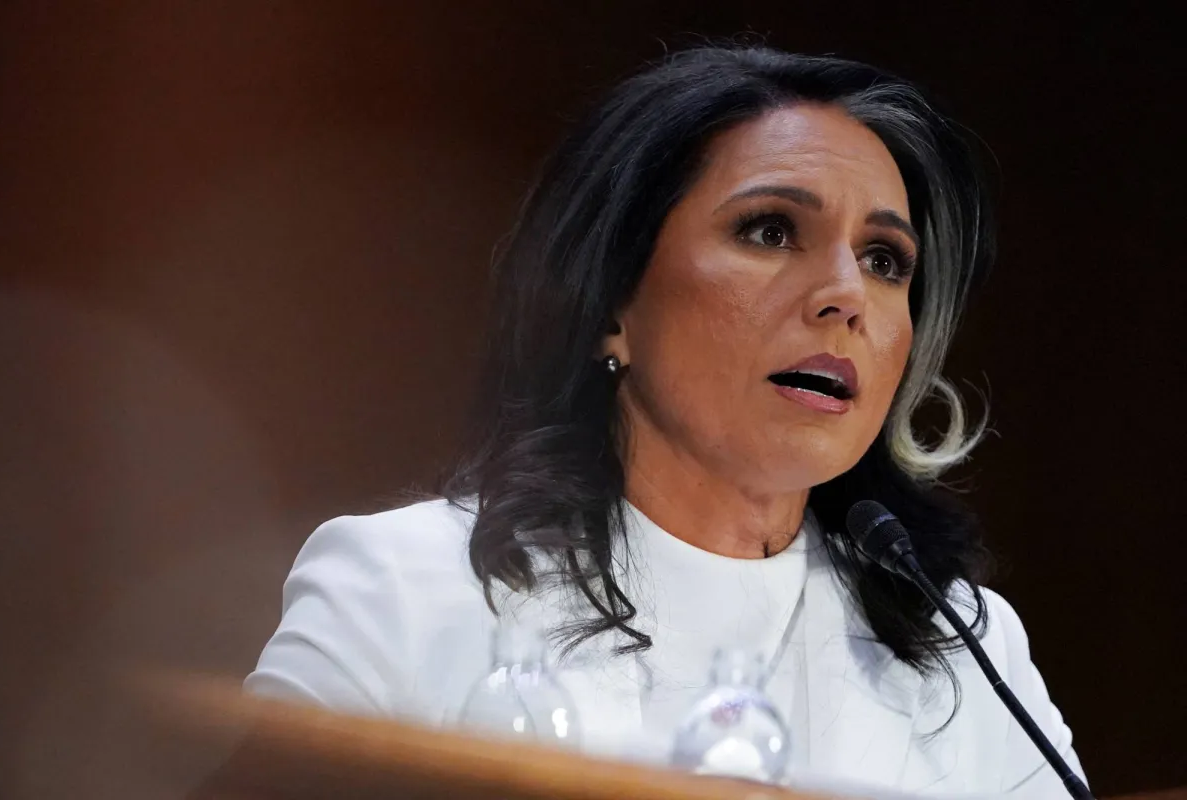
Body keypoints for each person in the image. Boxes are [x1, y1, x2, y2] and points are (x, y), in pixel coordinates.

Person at [246, 46, 1086, 796]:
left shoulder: (964, 650)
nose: (846, 295)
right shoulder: (402, 591)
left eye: (883, 260)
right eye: (771, 231)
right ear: (611, 299)